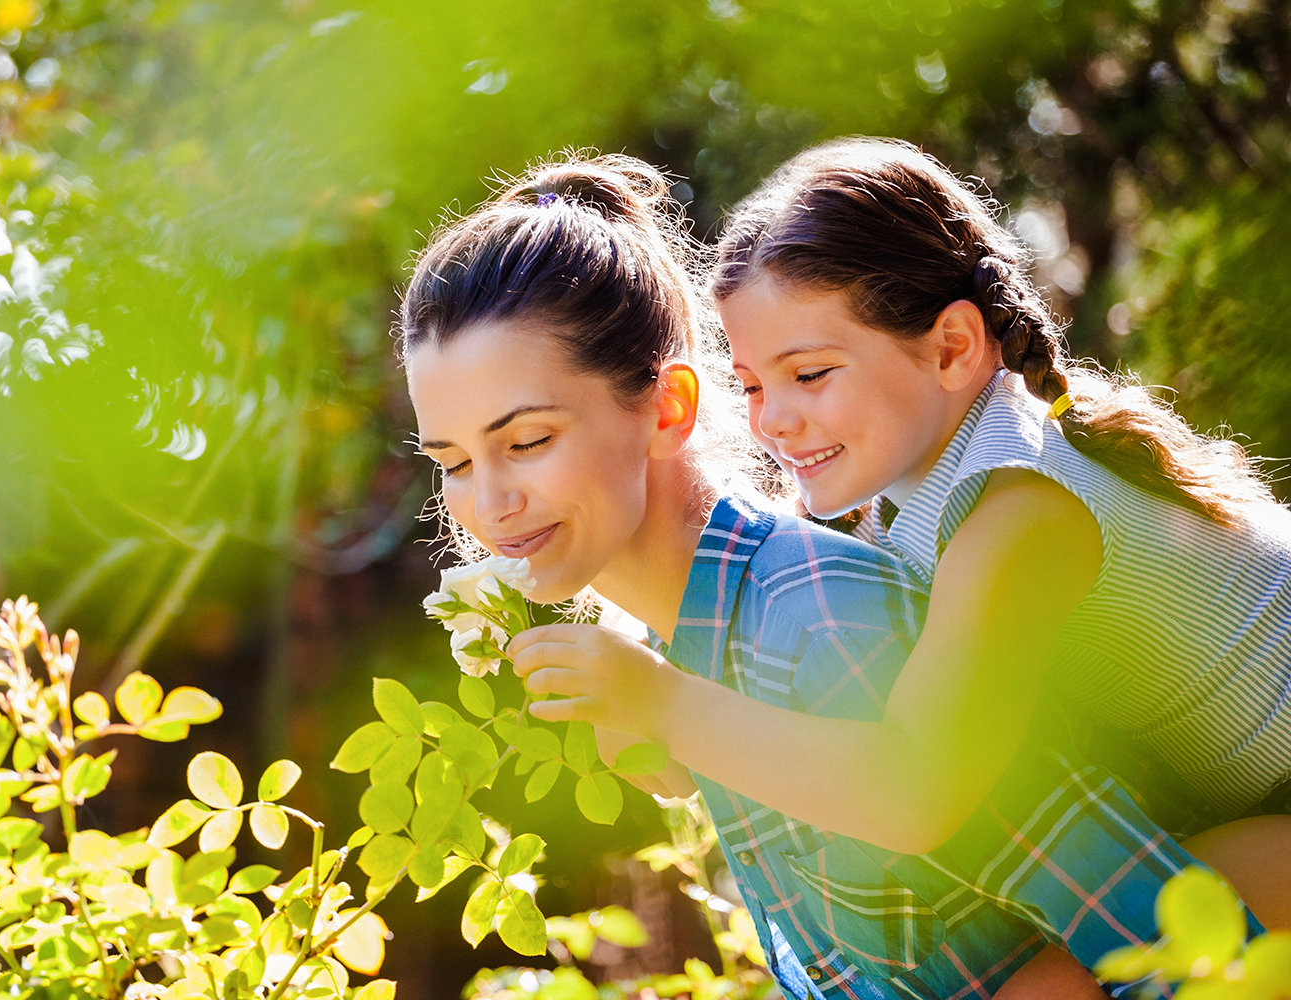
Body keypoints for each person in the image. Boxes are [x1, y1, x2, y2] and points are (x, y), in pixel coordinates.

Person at [400, 153, 1240, 1000]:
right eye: (454, 461)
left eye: (527, 441)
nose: (491, 501)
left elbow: (1149, 924)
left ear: (668, 410)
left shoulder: (818, 621)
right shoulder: (682, 654)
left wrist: (664, 705)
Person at [701, 137, 1291, 930]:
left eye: (809, 374)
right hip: (1252, 797)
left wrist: (672, 708)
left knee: (1106, 947)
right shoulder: (912, 486)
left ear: (952, 347)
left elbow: (918, 786)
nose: (772, 419)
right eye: (750, 384)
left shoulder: (1016, 511)